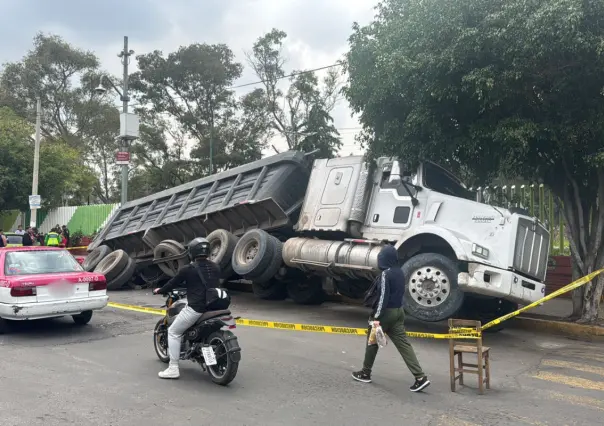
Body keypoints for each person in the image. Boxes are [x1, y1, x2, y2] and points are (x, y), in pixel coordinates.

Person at [352, 245, 431, 392]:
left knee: (372, 342)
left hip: (385, 313)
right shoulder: (400, 272)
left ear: (384, 258)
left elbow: (383, 297)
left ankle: (365, 372)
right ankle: (420, 377)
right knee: (404, 345)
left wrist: (376, 317)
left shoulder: (385, 274)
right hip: (398, 312)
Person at [153, 237, 221, 379]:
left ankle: (173, 368)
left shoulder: (188, 269)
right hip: (214, 306)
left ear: (192, 252)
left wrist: (159, 290)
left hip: (197, 308)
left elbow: (173, 283)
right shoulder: (215, 267)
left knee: (173, 332)